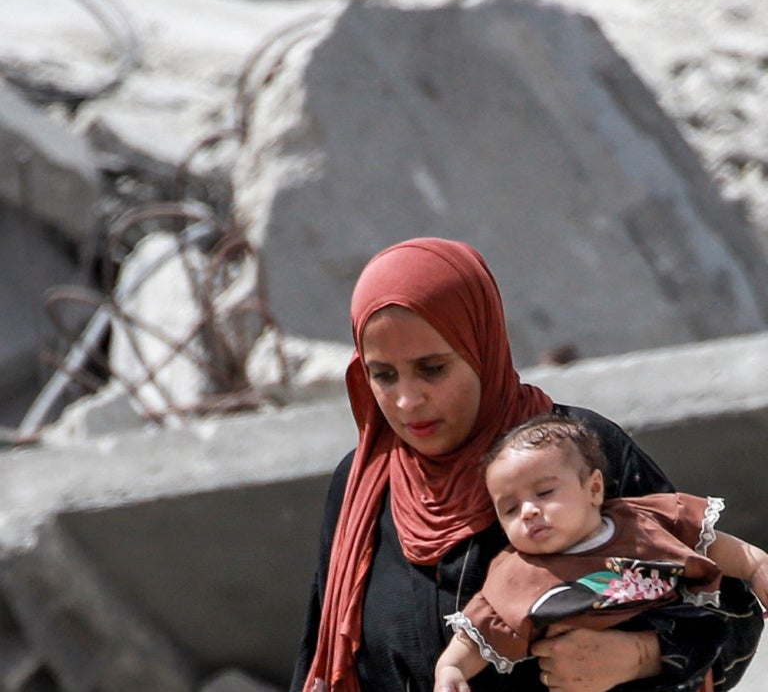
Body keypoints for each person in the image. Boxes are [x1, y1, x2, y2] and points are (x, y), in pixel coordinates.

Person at [290, 237, 763, 692]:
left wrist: (640, 656)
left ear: (482, 348)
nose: (408, 400)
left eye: (433, 368)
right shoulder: (362, 490)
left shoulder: (574, 452)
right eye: (384, 376)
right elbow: (327, 654)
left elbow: (728, 604)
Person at [434, 415, 768, 692]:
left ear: (594, 488)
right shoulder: (518, 573)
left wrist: (755, 564)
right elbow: (479, 630)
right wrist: (450, 667)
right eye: (510, 508)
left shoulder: (642, 519)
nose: (529, 511)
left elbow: (704, 540)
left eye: (545, 492)